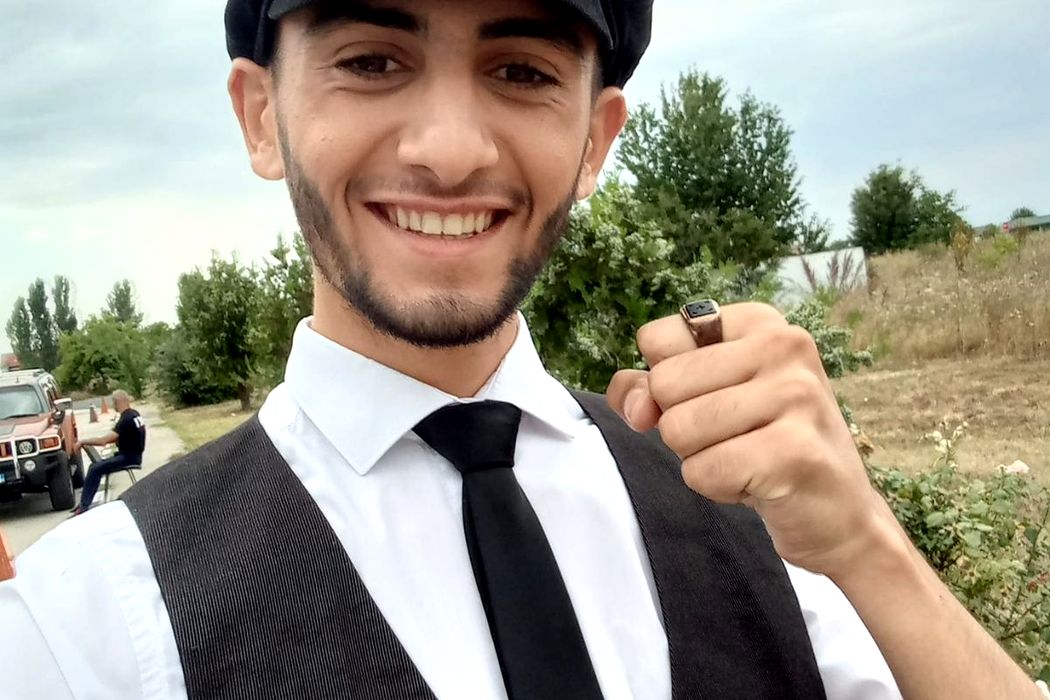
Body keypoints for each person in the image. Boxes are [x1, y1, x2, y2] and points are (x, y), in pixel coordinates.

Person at [0, 1, 1043, 698]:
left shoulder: (755, 514)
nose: (450, 151)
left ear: (595, 139)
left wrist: (865, 544)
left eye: (520, 69)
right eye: (372, 61)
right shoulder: (83, 628)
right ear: (261, 116)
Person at [70, 390, 146, 516]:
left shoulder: (125, 419)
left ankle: (83, 506)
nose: (112, 405)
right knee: (96, 466)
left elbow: (103, 441)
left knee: (95, 469)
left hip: (128, 457)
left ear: (117, 402)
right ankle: (84, 503)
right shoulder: (134, 414)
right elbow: (119, 437)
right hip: (134, 455)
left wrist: (83, 441)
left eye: (113, 402)